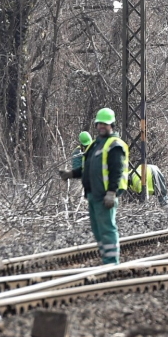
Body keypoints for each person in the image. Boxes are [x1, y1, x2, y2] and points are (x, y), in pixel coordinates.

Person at [58, 108, 127, 264]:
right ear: (96, 125)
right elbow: (87, 169)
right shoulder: (95, 145)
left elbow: (116, 171)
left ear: (112, 125)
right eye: (100, 123)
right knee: (98, 231)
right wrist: (71, 173)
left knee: (107, 229)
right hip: (93, 195)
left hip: (105, 195)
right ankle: (106, 260)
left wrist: (111, 192)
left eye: (105, 124)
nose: (102, 126)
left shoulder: (114, 145)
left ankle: (112, 263)